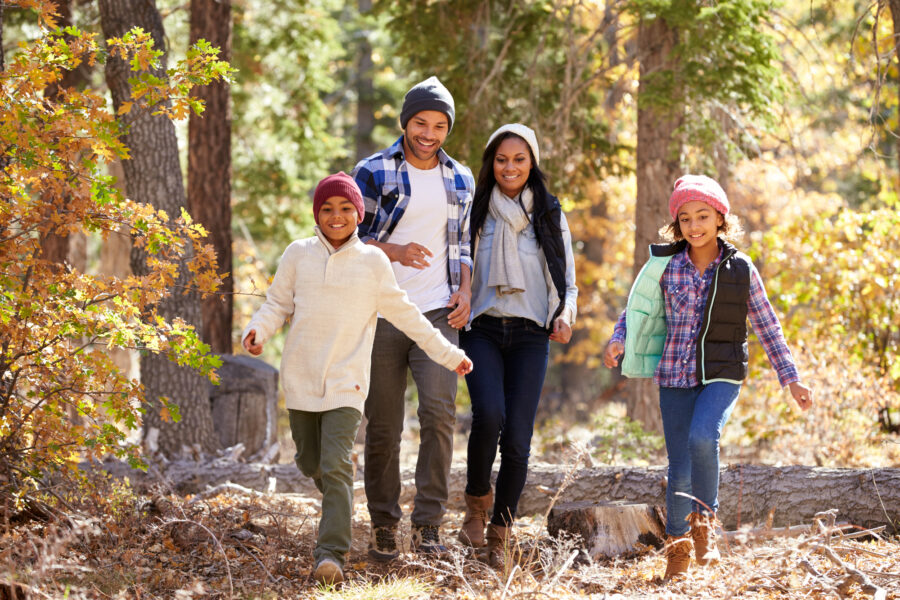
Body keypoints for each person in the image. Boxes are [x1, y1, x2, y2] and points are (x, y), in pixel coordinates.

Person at [241, 172, 472, 585]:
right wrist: (258, 331)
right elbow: (276, 303)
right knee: (310, 461)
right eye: (327, 208)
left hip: (348, 383)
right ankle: (337, 504)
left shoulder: (373, 262)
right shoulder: (298, 254)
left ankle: (330, 554)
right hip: (301, 380)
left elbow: (407, 316)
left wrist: (449, 354)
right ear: (317, 213)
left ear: (359, 214)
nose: (336, 216)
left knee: (335, 464)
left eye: (346, 208)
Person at [602, 174, 813, 580]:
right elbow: (636, 311)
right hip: (674, 376)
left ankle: (705, 525)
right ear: (676, 224)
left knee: (704, 437)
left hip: (722, 374)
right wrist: (619, 339)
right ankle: (677, 552)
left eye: (703, 216)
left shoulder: (740, 268)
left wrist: (792, 379)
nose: (694, 226)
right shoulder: (664, 266)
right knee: (679, 465)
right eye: (685, 218)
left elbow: (769, 326)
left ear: (720, 218)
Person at [351, 75, 475, 559]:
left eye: (439, 125)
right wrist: (395, 250)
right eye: (420, 123)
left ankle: (429, 527)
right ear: (406, 122)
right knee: (383, 424)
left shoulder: (460, 177)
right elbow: (345, 236)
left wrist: (464, 290)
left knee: (440, 417)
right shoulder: (374, 170)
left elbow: (463, 244)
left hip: (438, 315)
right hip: (381, 312)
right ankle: (384, 524)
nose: (429, 133)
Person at [455, 123, 578, 566]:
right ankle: (475, 502)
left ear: (532, 163)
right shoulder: (475, 209)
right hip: (482, 327)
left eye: (520, 159)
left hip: (531, 333)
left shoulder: (548, 211)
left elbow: (566, 279)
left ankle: (501, 529)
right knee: (488, 415)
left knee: (520, 440)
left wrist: (565, 313)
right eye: (502, 159)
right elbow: (458, 263)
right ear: (492, 162)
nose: (510, 167)